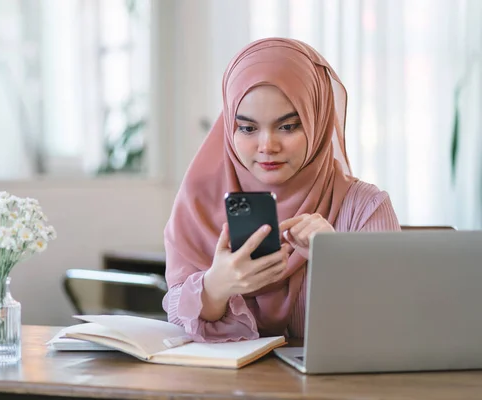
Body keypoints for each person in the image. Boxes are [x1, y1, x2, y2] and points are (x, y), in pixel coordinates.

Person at [162, 38, 401, 342]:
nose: (267, 146)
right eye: (247, 128)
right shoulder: (197, 203)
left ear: (318, 121)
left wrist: (337, 259)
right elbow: (175, 317)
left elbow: (392, 323)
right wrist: (215, 288)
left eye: (288, 126)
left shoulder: (364, 208)